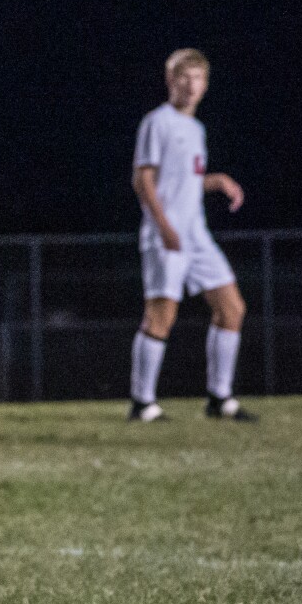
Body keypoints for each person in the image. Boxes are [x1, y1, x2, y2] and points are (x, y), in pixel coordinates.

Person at [128, 48, 255, 422]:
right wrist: (164, 227)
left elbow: (184, 182)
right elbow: (143, 179)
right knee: (161, 316)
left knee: (232, 308)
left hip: (196, 234)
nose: (191, 84)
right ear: (171, 80)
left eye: (198, 78)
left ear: (206, 85)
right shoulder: (158, 122)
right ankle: (142, 403)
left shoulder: (196, 129)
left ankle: (219, 398)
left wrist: (216, 181)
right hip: (165, 234)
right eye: (184, 77)